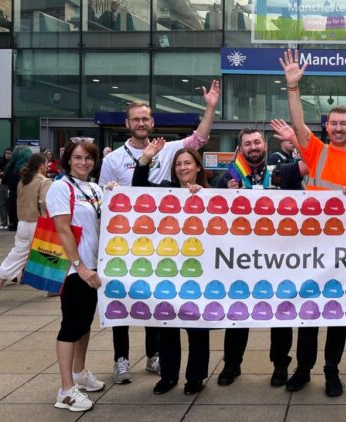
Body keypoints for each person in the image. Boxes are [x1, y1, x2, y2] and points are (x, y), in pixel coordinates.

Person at [99, 80, 219, 384]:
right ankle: (124, 359)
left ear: (152, 122)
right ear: (127, 123)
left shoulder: (171, 150)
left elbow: (200, 137)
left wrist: (210, 107)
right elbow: (106, 199)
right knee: (135, 304)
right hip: (131, 242)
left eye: (146, 118)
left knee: (173, 313)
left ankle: (170, 365)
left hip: (178, 248)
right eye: (136, 119)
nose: (141, 123)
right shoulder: (112, 160)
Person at [278, 48, 346, 397]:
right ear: (326, 127)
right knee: (308, 314)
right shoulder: (315, 150)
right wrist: (293, 88)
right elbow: (297, 123)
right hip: (311, 248)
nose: (338, 128)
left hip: (345, 253)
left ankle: (332, 371)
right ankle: (303, 369)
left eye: (343, 124)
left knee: (337, 316)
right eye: (333, 123)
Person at [214, 128, 303, 388]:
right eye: (247, 144)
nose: (253, 147)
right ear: (240, 149)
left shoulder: (283, 172)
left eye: (257, 142)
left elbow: (314, 165)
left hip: (278, 258)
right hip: (240, 260)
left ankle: (280, 365)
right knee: (238, 312)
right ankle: (232, 364)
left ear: (265, 145)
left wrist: (297, 139)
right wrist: (224, 195)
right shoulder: (227, 178)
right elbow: (211, 212)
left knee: (281, 313)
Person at [132, 139, 211, 396]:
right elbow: (139, 189)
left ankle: (195, 377)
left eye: (188, 162)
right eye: (178, 163)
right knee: (167, 327)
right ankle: (168, 376)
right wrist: (145, 159)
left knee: (197, 329)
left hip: (199, 271)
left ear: (198, 167)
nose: (182, 167)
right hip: (168, 268)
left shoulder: (211, 193)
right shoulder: (165, 189)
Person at [48, 138, 105, 412]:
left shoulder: (94, 188)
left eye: (88, 158)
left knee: (83, 323)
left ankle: (80, 372)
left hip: (93, 266)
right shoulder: (60, 187)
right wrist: (79, 266)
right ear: (68, 160)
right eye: (78, 158)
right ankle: (66, 389)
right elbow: (62, 230)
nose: (84, 163)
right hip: (73, 269)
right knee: (71, 325)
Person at [0, 153, 52, 305]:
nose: (48, 166)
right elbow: (44, 203)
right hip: (38, 222)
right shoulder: (44, 181)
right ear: (41, 165)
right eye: (46, 163)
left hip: (23, 223)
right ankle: (52, 287)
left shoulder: (23, 180)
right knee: (50, 254)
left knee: (17, 255)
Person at [4, 146, 33, 232]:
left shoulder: (9, 167)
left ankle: (13, 224)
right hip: (25, 200)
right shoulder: (27, 169)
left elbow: (5, 181)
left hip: (12, 198)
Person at [0, 148, 12, 229]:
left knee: (10, 204)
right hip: (1, 184)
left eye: (9, 153)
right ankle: (3, 223)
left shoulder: (13, 163)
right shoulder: (1, 162)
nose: (7, 154)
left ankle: (11, 222)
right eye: (6, 153)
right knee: (1, 204)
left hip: (10, 185)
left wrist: (4, 173)